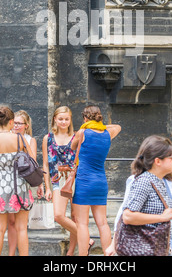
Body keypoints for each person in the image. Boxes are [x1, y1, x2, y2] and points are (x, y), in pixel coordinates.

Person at [105, 173, 172, 256]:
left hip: (168, 237)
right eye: (170, 157)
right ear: (158, 160)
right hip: (146, 237)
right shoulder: (139, 180)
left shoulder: (167, 181)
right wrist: (114, 243)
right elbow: (125, 213)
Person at [0, 106, 35, 256]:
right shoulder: (19, 138)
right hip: (19, 185)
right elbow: (31, 160)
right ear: (11, 122)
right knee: (21, 228)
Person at [71, 105, 121, 256]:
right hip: (101, 181)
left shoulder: (83, 132)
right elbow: (118, 126)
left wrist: (88, 125)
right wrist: (100, 125)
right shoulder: (107, 133)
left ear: (85, 118)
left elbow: (72, 146)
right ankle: (108, 255)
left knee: (82, 224)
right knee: (103, 223)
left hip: (84, 181)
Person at [39, 106, 79, 256]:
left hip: (75, 179)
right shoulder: (48, 138)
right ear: (55, 119)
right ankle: (85, 237)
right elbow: (45, 164)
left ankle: (70, 252)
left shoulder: (77, 137)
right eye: (60, 119)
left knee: (75, 217)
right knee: (59, 215)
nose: (63, 122)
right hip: (57, 180)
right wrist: (47, 187)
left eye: (66, 119)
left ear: (70, 120)